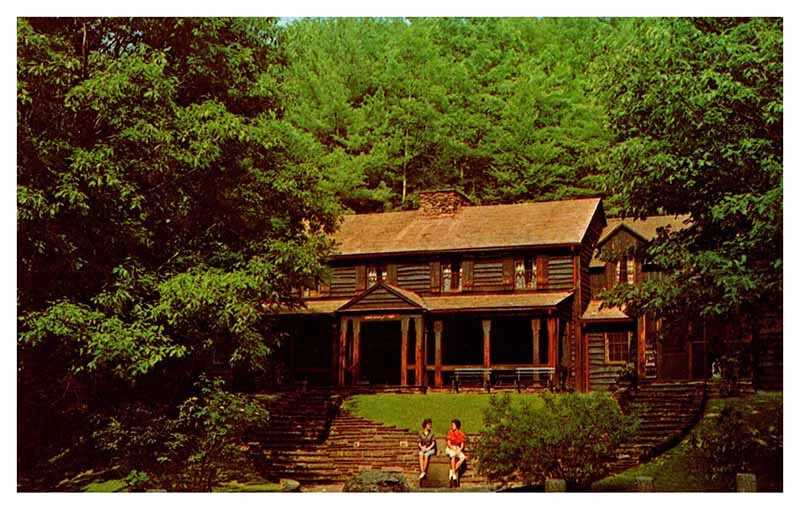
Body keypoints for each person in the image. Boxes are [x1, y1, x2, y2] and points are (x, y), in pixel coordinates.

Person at [445, 419, 467, 487]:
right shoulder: (450, 432)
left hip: (457, 448)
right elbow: (449, 444)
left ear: (457, 426)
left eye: (453, 425)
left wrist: (459, 450)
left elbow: (462, 445)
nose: (452, 426)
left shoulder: (461, 433)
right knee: (453, 455)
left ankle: (452, 472)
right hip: (450, 448)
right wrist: (453, 449)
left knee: (463, 457)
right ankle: (454, 475)